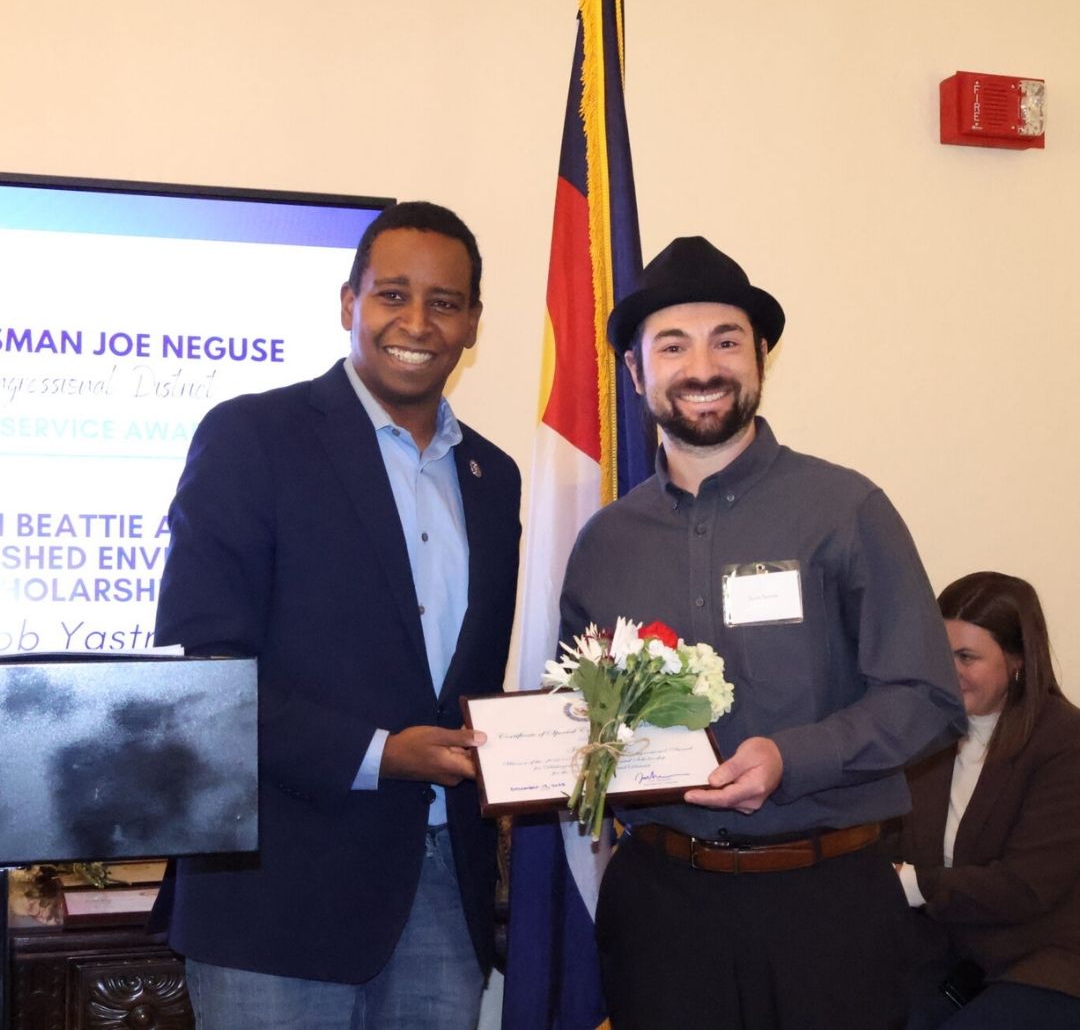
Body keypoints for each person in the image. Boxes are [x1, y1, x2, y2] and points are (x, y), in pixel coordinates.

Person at [557, 236, 967, 1030]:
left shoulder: (846, 510)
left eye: (727, 340)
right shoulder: (604, 544)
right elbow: (580, 713)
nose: (702, 366)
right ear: (638, 373)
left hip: (828, 905)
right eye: (672, 346)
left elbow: (926, 695)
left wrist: (791, 757)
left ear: (762, 357)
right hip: (661, 909)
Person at [152, 201, 521, 1029]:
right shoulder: (254, 436)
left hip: (440, 890)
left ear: (472, 326)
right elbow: (207, 678)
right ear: (348, 302)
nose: (416, 322)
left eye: (445, 302)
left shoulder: (495, 479)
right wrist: (380, 755)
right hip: (275, 894)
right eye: (392, 294)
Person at [896, 572, 1080, 1029]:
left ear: (1017, 660)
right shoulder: (924, 733)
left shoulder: (1065, 741)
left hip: (1046, 963)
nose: (948, 669)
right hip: (949, 959)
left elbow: (1025, 887)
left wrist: (916, 884)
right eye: (942, 652)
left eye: (967, 657)